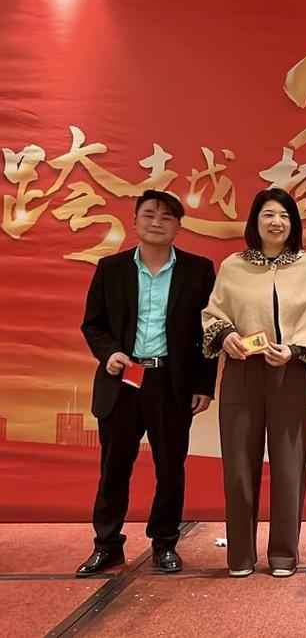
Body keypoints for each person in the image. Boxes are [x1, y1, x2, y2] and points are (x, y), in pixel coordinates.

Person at [77, 190, 217, 577]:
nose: (157, 222)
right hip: (122, 379)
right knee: (114, 467)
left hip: (170, 382)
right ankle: (107, 545)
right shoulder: (111, 268)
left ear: (178, 226)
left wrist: (204, 384)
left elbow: (209, 331)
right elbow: (93, 324)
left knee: (170, 468)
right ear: (135, 220)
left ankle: (165, 543)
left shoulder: (198, 270)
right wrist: (109, 353)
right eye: (149, 215)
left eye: (166, 217)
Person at [201, 188, 306, 577]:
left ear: (294, 224)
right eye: (268, 215)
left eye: (284, 216)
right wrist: (226, 336)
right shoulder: (233, 266)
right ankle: (240, 556)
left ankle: (284, 555)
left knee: (290, 466)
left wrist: (294, 350)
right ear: (255, 221)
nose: (276, 222)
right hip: (242, 371)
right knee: (239, 466)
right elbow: (213, 315)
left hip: (290, 371)